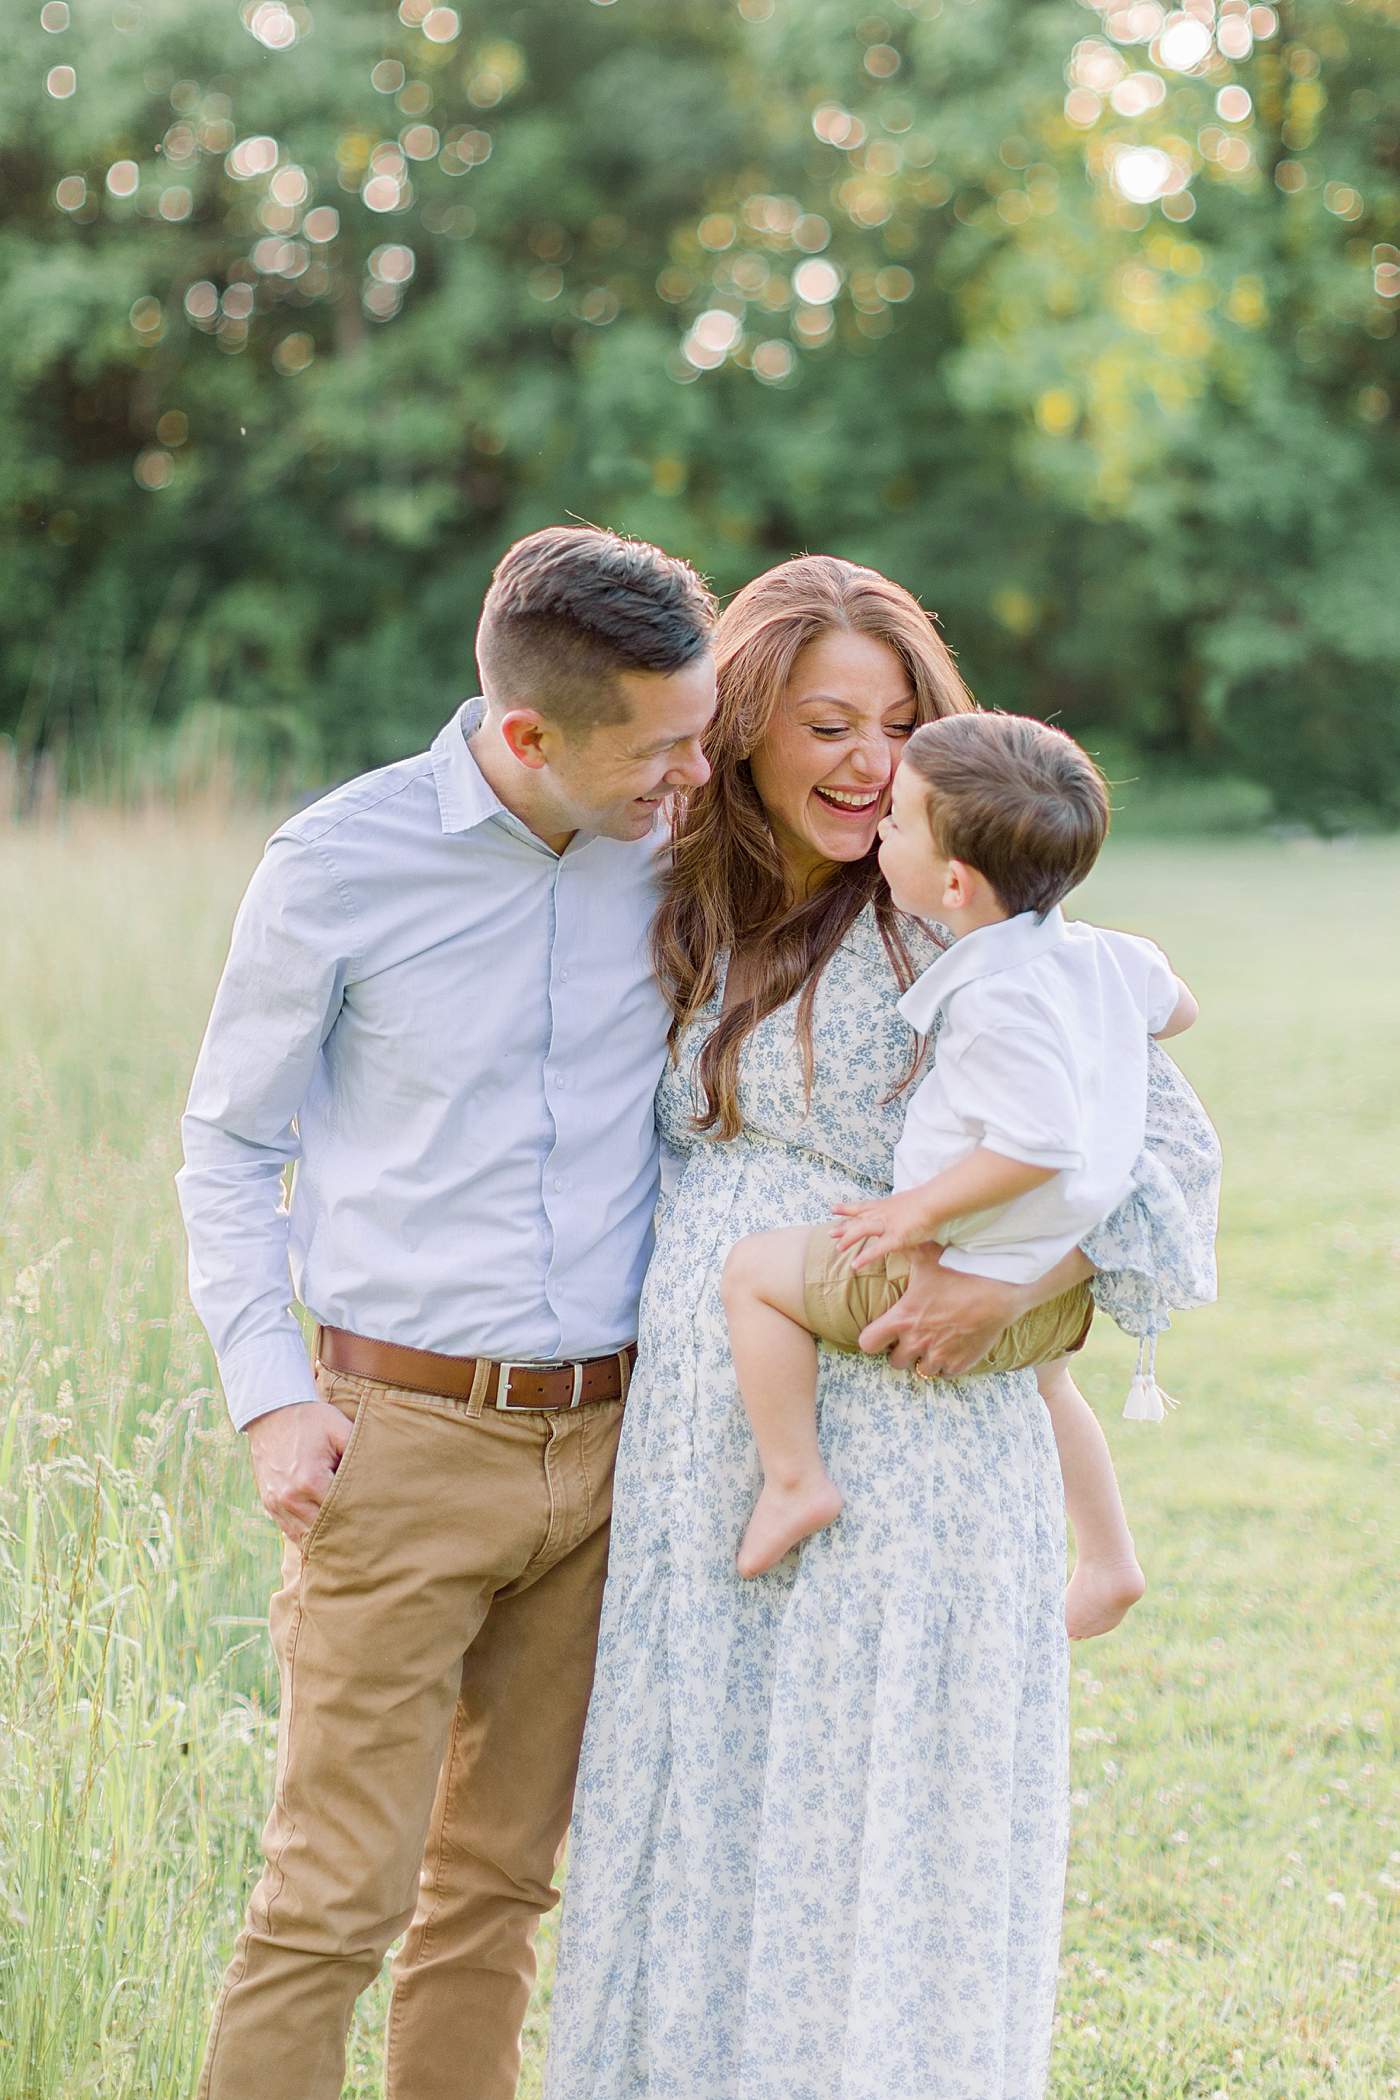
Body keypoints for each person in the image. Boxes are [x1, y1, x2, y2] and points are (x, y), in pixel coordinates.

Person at [542, 556, 1219, 2100]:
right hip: (709, 1448)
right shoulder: (669, 898)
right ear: (744, 727)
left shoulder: (973, 928)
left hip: (913, 1449)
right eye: (827, 723)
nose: (865, 762)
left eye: (897, 725)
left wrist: (1021, 1293)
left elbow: (1142, 1155)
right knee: (699, 1803)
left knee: (885, 1819)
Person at [175, 525, 719, 2100]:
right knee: (332, 1901)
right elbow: (230, 1142)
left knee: (495, 1893)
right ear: (532, 735)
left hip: (614, 1447)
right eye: (665, 749)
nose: (693, 777)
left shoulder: (675, 843)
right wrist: (274, 1390)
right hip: (398, 1444)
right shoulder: (338, 866)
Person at [721, 711, 1201, 1636]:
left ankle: (792, 1479)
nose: (879, 833)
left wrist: (913, 1212)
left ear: (952, 881)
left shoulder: (991, 1000)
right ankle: (1106, 1559)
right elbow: (1176, 1011)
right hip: (1052, 1283)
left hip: (961, 1264)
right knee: (1051, 1388)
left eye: (895, 822)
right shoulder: (1106, 955)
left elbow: (1036, 1143)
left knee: (753, 1276)